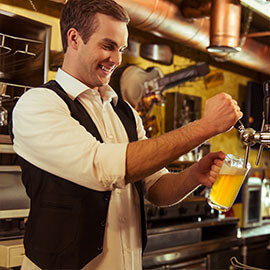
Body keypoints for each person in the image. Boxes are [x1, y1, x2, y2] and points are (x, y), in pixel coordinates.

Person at [11, 0, 242, 269]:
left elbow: (155, 187)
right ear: (74, 38)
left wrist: (193, 176)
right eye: (108, 46)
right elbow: (102, 168)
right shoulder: (38, 104)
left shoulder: (125, 112)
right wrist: (205, 127)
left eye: (121, 49)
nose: (117, 60)